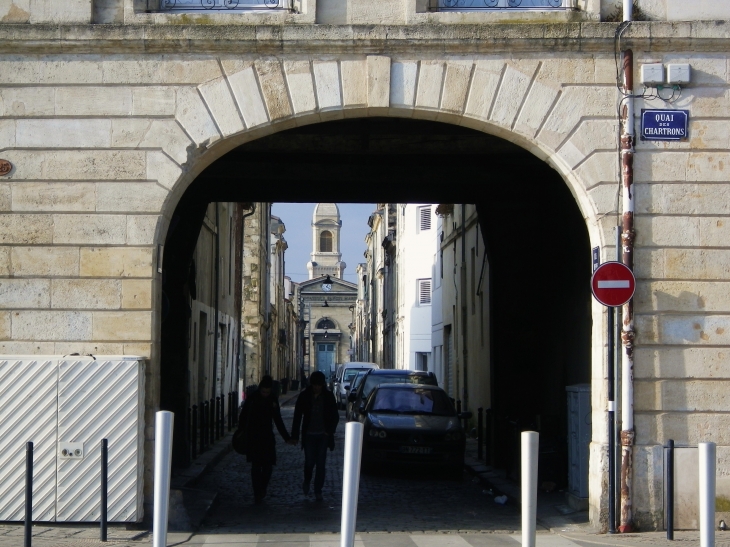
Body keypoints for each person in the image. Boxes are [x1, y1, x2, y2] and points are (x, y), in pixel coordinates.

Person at [237, 375, 296, 504]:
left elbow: (278, 420)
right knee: (256, 467)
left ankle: (262, 488)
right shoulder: (252, 399)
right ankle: (257, 492)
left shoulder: (272, 400)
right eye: (263, 391)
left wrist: (286, 438)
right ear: (260, 389)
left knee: (268, 466)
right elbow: (243, 418)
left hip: (267, 437)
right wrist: (241, 433)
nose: (265, 394)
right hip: (253, 437)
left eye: (267, 392)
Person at [291, 370, 340, 501]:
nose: (317, 387)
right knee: (309, 462)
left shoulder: (328, 397)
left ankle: (318, 490)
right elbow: (297, 416)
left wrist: (328, 431)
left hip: (323, 435)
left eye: (319, 385)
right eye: (315, 385)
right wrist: (295, 435)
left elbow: (335, 416)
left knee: (321, 464)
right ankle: (307, 480)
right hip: (309, 435)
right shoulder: (305, 396)